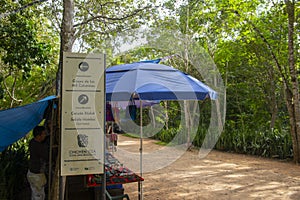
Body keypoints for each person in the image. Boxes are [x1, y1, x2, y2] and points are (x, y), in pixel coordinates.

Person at [27, 126, 49, 200]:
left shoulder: (32, 142)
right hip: (37, 176)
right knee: (39, 196)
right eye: (43, 134)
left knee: (35, 194)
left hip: (32, 173)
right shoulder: (38, 147)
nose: (45, 135)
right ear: (38, 136)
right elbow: (47, 156)